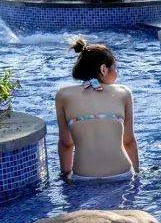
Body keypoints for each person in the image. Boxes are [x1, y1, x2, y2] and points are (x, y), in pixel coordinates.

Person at [54, 38, 139, 182]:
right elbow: (129, 141)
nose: (117, 72)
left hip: (83, 177)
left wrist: (66, 176)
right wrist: (137, 173)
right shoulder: (123, 93)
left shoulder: (63, 95)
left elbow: (66, 144)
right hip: (121, 174)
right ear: (103, 69)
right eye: (115, 67)